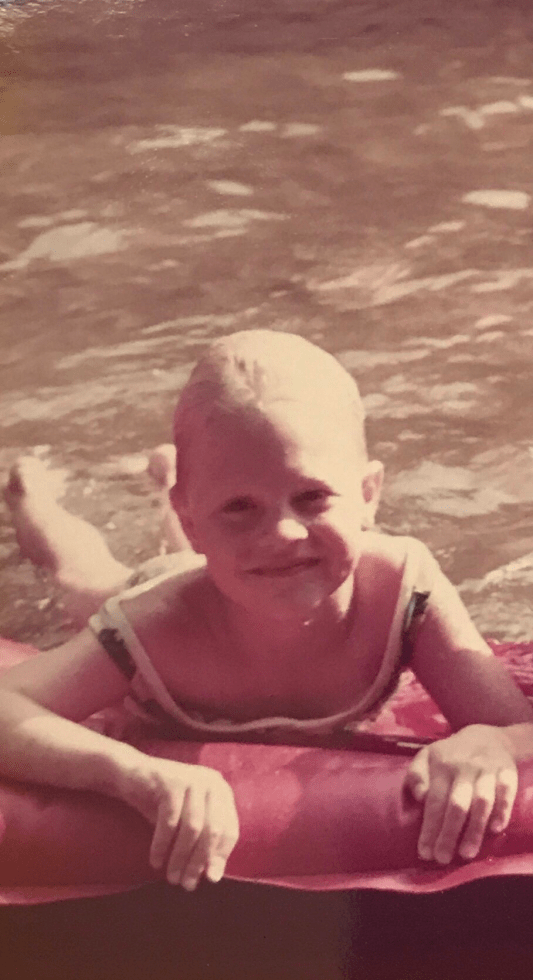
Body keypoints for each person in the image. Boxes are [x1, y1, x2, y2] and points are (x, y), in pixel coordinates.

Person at [1, 329, 533, 894]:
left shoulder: (403, 590)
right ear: (193, 518)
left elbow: (516, 726)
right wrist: (129, 774)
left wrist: (495, 744)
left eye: (312, 497)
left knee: (237, 550)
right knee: (82, 576)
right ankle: (33, 498)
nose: (283, 533)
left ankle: (183, 486)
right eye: (240, 505)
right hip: (182, 589)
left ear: (368, 494)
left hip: (224, 567)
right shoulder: (153, 626)